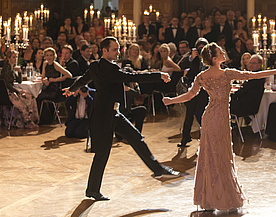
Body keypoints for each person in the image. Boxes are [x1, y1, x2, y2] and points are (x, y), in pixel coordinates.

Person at [163, 42, 276, 212]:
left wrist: (171, 100)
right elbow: (253, 75)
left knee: (212, 156)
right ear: (215, 59)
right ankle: (224, 197)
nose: (223, 52)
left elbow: (189, 95)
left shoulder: (202, 76)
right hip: (218, 119)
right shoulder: (227, 74)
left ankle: (212, 198)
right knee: (220, 156)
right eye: (220, 52)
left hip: (210, 117)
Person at [62, 37, 179, 201]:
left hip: (112, 113)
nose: (118, 52)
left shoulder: (95, 66)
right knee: (102, 154)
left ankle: (158, 169)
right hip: (104, 116)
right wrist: (159, 75)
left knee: (136, 138)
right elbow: (134, 78)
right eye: (114, 50)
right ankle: (93, 190)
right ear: (104, 51)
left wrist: (71, 89)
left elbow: (84, 79)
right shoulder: (110, 69)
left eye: (118, 49)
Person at [177, 38, 210, 147]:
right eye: (199, 48)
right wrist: (192, 57)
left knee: (201, 114)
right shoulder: (193, 59)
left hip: (205, 91)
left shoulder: (210, 59)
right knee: (189, 113)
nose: (201, 51)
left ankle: (205, 137)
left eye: (203, 48)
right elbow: (181, 66)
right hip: (193, 89)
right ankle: (185, 137)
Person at [0, 50, 39, 129]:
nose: (16, 59)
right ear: (8, 58)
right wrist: (18, 91)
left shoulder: (12, 67)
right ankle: (28, 122)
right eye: (14, 57)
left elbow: (19, 81)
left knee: (30, 97)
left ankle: (33, 119)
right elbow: (7, 84)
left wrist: (19, 71)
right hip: (7, 93)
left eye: (16, 57)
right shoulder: (7, 68)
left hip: (12, 90)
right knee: (23, 104)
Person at [37, 48, 73, 119]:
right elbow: (43, 76)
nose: (49, 57)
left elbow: (69, 75)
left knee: (39, 97)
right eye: (47, 55)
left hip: (55, 89)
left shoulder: (55, 65)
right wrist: (45, 81)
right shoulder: (45, 63)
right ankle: (42, 118)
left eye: (51, 55)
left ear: (54, 56)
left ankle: (43, 119)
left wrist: (55, 80)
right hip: (48, 87)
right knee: (37, 96)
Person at [230, 54, 265, 121]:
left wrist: (229, 95)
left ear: (260, 65)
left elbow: (241, 92)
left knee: (222, 102)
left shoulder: (254, 77)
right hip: (252, 108)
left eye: (254, 63)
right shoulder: (260, 76)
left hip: (244, 108)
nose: (251, 65)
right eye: (250, 62)